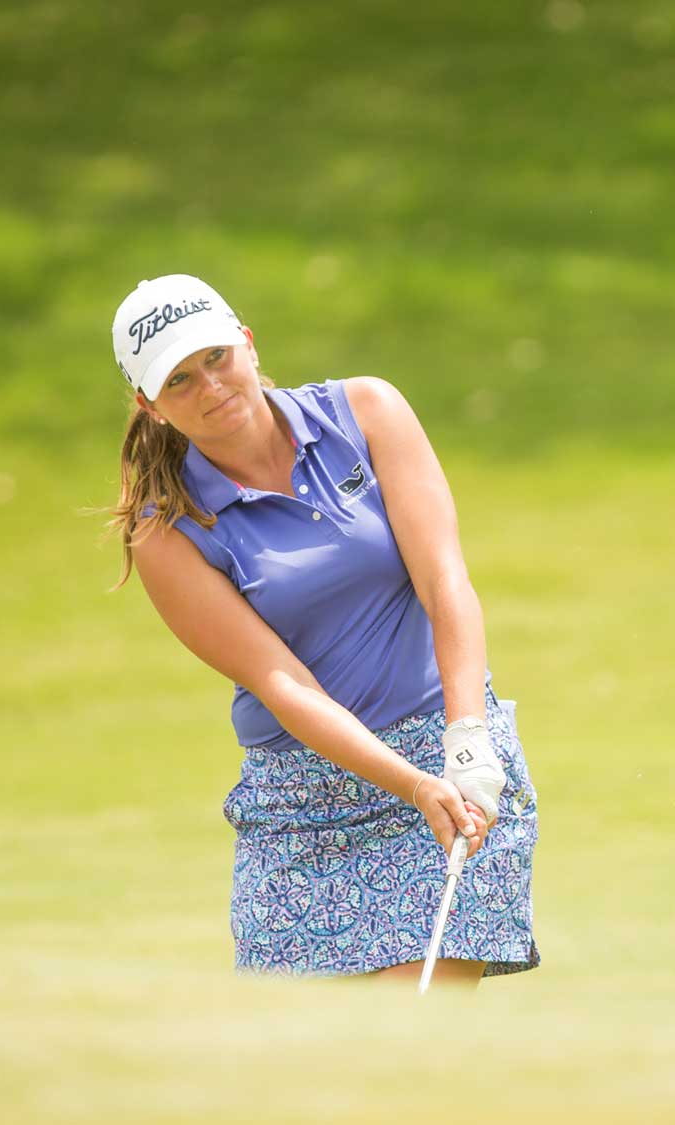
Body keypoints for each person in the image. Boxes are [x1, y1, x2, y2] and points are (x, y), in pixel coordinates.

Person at [102, 274, 540, 986]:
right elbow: (281, 682)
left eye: (216, 357)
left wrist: (468, 738)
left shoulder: (366, 412)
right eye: (180, 381)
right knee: (312, 1081)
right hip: (302, 805)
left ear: (246, 340)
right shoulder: (167, 534)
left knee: (412, 1046)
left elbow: (445, 580)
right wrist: (407, 783)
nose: (211, 386)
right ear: (151, 405)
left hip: (452, 767)